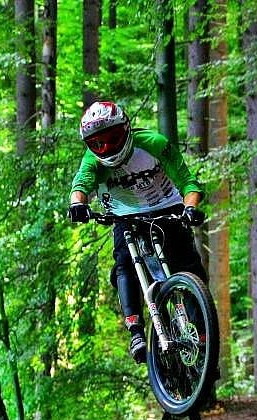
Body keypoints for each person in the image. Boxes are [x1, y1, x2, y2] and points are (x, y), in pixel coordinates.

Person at [68, 101, 207, 363]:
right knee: (124, 263)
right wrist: (78, 205)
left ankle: (202, 330)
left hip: (167, 206)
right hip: (124, 214)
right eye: (97, 144)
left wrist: (190, 208)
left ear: (126, 129)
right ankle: (135, 330)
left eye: (112, 138)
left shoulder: (154, 144)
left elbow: (188, 183)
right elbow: (81, 185)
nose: (106, 148)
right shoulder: (92, 160)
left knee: (188, 265)